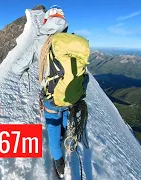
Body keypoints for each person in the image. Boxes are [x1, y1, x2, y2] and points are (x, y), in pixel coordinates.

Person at [13, 5, 89, 179]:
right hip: (71, 94)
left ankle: (59, 162)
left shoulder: (42, 41)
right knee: (64, 112)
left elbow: (19, 67)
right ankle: (65, 134)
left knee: (52, 128)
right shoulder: (70, 41)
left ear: (46, 21)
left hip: (51, 97)